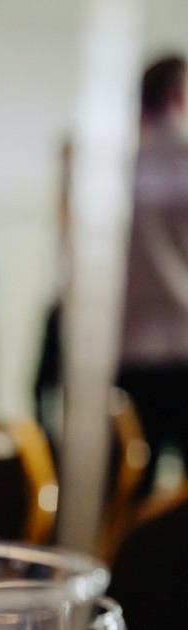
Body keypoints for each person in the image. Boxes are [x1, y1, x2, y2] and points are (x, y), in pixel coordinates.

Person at [118, 54, 188, 496]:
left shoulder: (121, 169)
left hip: (134, 350)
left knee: (133, 485)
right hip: (180, 346)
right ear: (179, 94)